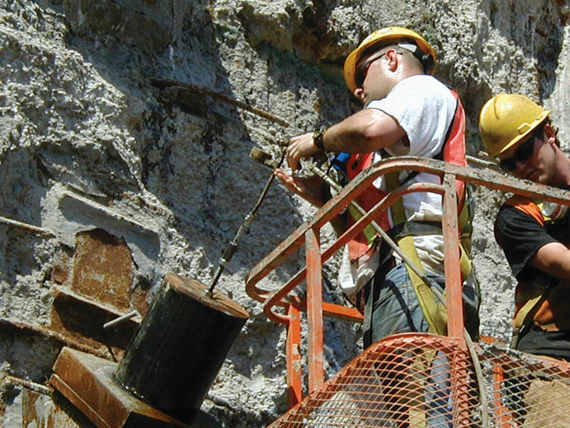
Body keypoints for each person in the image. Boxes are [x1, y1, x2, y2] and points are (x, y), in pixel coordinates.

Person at [275, 26, 480, 347]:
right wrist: (323, 200)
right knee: (410, 393)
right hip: (400, 274)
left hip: (416, 271)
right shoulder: (398, 143)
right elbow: (370, 231)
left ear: (392, 58)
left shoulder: (421, 89)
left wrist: (317, 141)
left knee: (419, 394)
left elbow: (370, 129)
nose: (358, 90)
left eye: (362, 74)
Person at [479, 93, 570, 427]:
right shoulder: (515, 216)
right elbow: (564, 263)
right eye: (507, 163)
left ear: (549, 133)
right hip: (552, 365)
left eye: (523, 152)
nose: (520, 167)